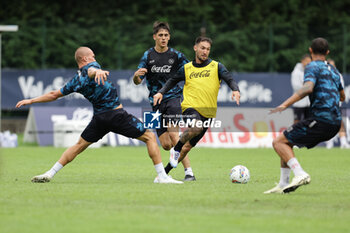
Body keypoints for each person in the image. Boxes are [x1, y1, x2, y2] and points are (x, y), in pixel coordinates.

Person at [16, 46, 183, 184]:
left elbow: (54, 94)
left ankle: (50, 173)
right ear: (85, 59)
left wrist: (31, 101)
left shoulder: (76, 80)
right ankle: (162, 176)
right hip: (116, 115)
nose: (95, 58)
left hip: (100, 118)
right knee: (149, 137)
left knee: (78, 145)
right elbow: (92, 71)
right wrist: (98, 72)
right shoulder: (91, 68)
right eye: (93, 56)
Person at [265, 38, 345, 194]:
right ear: (327, 52)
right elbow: (342, 96)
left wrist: (284, 105)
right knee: (286, 141)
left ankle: (300, 174)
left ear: (310, 51)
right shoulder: (335, 71)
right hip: (335, 122)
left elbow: (308, 88)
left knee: (278, 142)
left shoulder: (312, 66)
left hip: (322, 119)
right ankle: (283, 184)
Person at [153, 36, 240, 175]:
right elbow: (172, 81)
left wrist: (235, 89)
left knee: (187, 148)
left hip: (208, 113)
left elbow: (229, 78)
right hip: (190, 107)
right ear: (195, 48)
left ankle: (164, 173)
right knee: (196, 127)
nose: (205, 52)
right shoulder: (187, 68)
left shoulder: (216, 66)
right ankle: (176, 150)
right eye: (202, 48)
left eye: (208, 49)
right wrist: (161, 93)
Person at [133, 21, 196, 181]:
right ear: (154, 37)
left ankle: (189, 172)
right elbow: (137, 80)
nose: (163, 38)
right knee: (166, 145)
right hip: (155, 104)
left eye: (166, 35)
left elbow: (192, 71)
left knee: (175, 137)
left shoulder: (176, 56)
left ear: (169, 37)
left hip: (173, 100)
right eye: (160, 35)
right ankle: (176, 164)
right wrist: (136, 76)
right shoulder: (148, 56)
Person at [324, 58, 350, 149]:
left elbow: (341, 88)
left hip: (336, 103)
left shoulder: (338, 75)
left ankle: (343, 142)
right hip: (326, 103)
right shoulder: (323, 75)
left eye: (333, 65)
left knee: (339, 123)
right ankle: (329, 143)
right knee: (328, 123)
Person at [290, 54, 312, 123]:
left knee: (309, 122)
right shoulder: (296, 72)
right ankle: (294, 134)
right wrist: (307, 86)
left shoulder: (311, 71)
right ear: (302, 61)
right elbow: (296, 86)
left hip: (308, 102)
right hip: (298, 102)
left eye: (309, 62)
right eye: (306, 61)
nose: (308, 63)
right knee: (297, 121)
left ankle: (307, 134)